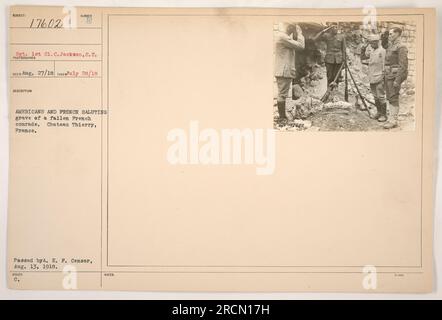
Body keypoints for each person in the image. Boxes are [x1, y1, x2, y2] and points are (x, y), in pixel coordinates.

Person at [274, 23, 305, 123]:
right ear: (289, 28)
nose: (294, 31)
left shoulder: (284, 37)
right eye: (293, 28)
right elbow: (301, 46)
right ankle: (282, 118)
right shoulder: (283, 37)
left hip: (285, 70)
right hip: (284, 71)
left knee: (282, 94)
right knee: (282, 94)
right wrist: (300, 34)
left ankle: (283, 117)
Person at [383, 27, 408, 129]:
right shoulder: (391, 45)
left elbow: (403, 66)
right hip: (389, 75)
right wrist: (384, 35)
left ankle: (393, 120)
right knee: (389, 97)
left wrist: (398, 80)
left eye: (392, 34)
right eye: (389, 34)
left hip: (395, 76)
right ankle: (390, 118)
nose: (390, 36)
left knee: (394, 97)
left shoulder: (401, 47)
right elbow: (384, 44)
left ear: (398, 34)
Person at [361, 34, 387, 122]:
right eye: (370, 43)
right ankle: (379, 112)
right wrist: (364, 47)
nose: (371, 45)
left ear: (377, 42)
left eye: (372, 43)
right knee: (375, 96)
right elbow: (364, 56)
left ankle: (384, 115)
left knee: (381, 96)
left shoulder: (382, 51)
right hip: (372, 76)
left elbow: (384, 65)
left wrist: (383, 77)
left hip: (380, 76)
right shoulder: (372, 50)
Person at [312, 23, 345, 87]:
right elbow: (314, 39)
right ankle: (328, 91)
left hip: (339, 59)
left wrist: (344, 60)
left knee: (337, 77)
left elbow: (343, 49)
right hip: (329, 59)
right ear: (330, 28)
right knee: (329, 76)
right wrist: (324, 30)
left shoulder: (342, 36)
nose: (335, 28)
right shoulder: (327, 35)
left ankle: (334, 91)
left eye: (336, 27)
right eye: (333, 27)